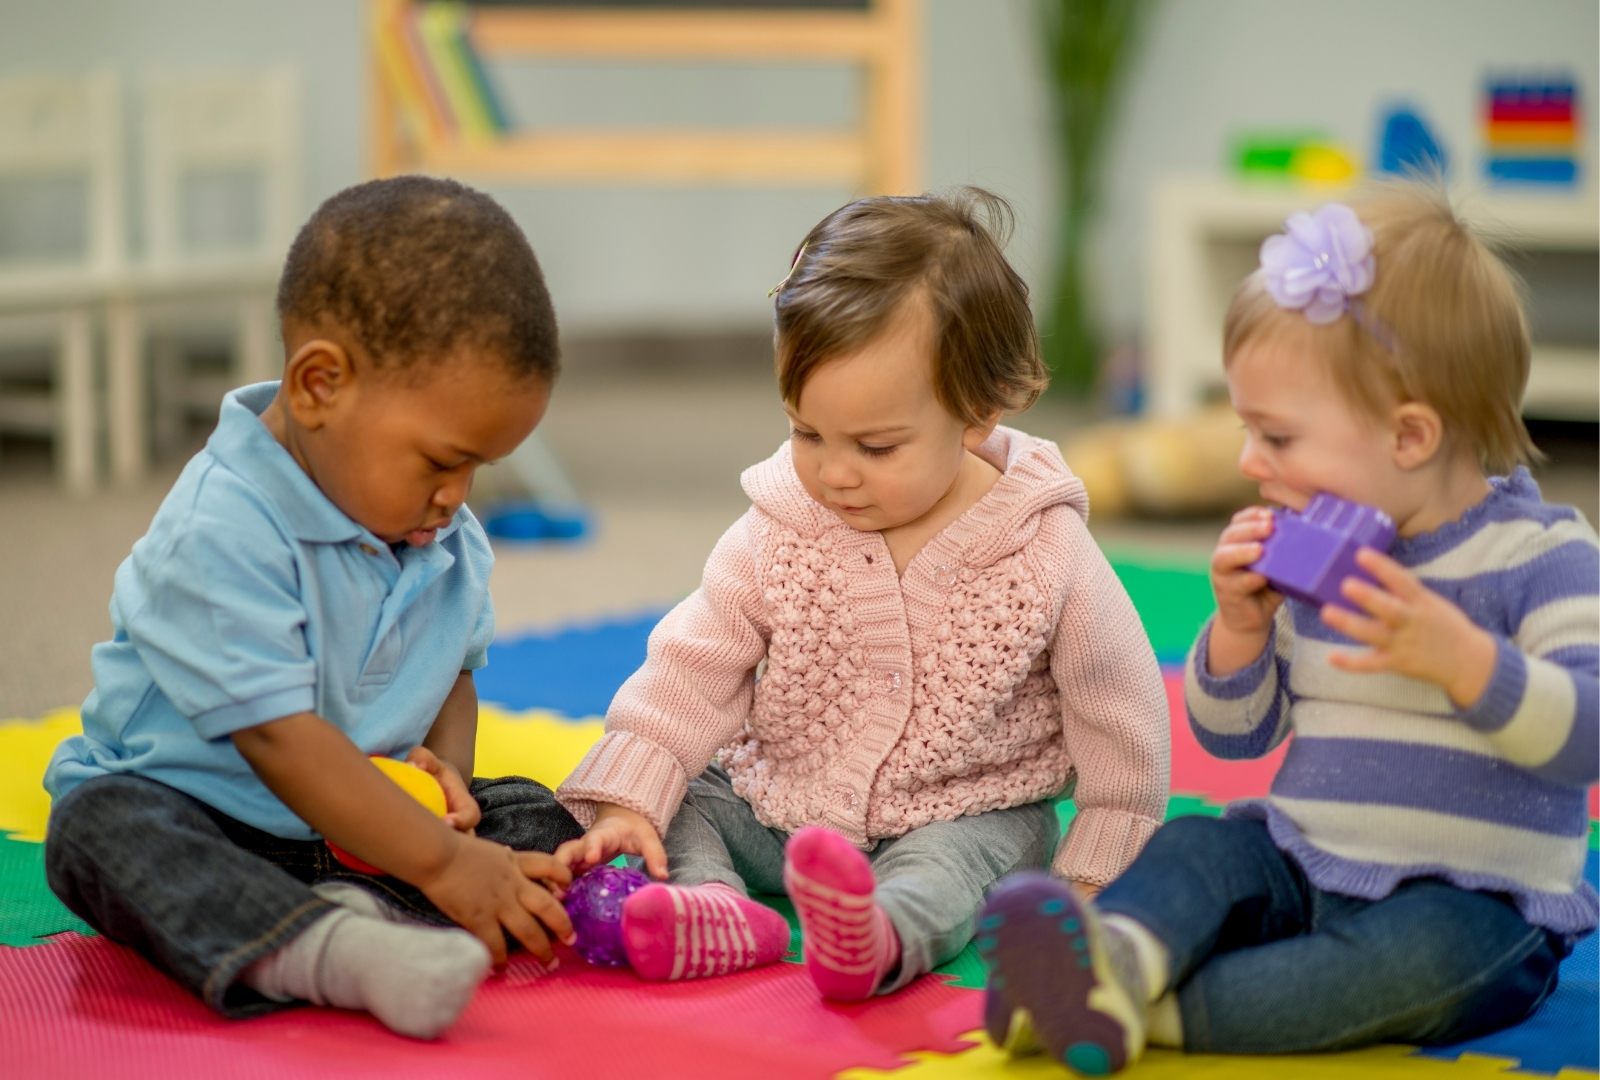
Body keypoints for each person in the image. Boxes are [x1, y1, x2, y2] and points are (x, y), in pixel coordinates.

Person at [978, 182, 1599, 1075]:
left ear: (1411, 435)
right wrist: (1237, 630)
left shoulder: (1544, 557)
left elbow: (1587, 736)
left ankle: (1137, 1015)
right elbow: (1234, 740)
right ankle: (1114, 962)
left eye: (1278, 437)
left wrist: (1467, 663)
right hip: (1307, 859)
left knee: (1410, 967)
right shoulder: (1313, 551)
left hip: (1478, 905)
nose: (1247, 462)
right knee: (1199, 845)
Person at [554, 188, 1171, 1000]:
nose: (834, 472)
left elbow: (1117, 708)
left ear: (977, 412)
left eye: (875, 447)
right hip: (781, 802)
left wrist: (1101, 861)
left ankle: (879, 937)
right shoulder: (779, 526)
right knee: (686, 799)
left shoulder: (1044, 549)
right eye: (806, 432)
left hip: (962, 810)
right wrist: (630, 799)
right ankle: (711, 906)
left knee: (958, 871)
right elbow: (692, 665)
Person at [43, 176, 585, 1040]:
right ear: (319, 385)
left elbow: (452, 674)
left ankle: (612, 911)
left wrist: (447, 794)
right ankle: (331, 947)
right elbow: (277, 739)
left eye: (479, 467)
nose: (456, 497)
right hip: (205, 815)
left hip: (364, 827)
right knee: (97, 834)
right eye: (442, 461)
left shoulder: (442, 533)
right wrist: (441, 861)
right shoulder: (220, 529)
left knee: (537, 807)